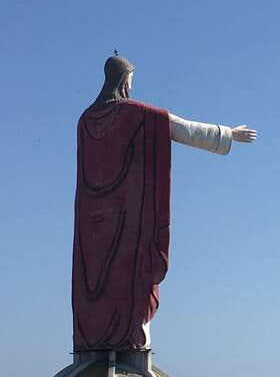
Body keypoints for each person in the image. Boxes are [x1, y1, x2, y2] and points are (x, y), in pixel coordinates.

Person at [72, 54, 256, 351]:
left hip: (93, 226)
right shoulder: (137, 114)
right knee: (131, 281)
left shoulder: (84, 121)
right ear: (123, 80)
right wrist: (228, 134)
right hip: (128, 219)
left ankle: (98, 339)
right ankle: (130, 342)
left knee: (100, 282)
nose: (132, 85)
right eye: (130, 79)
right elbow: (180, 128)